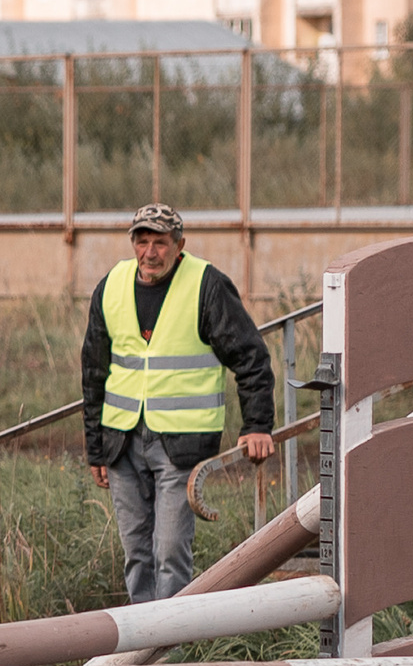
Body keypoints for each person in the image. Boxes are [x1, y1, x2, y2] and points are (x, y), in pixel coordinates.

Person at [81, 203, 275, 602]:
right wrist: (95, 448)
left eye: (160, 243)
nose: (150, 252)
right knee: (136, 555)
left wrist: (257, 425)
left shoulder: (207, 285)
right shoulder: (112, 285)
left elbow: (251, 357)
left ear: (179, 245)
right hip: (121, 443)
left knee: (170, 552)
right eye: (142, 242)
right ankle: (141, 637)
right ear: (133, 243)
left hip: (182, 444)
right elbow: (93, 371)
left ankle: (172, 638)